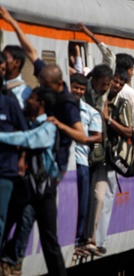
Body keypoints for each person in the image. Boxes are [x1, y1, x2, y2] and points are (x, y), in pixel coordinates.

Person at [0, 87, 66, 275]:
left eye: (32, 98)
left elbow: (27, 140)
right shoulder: (29, 122)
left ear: (41, 104)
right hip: (26, 188)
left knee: (49, 241)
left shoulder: (48, 127)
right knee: (8, 225)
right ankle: (10, 259)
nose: (28, 100)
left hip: (44, 191)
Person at [85, 69, 134, 255]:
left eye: (121, 84)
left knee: (103, 197)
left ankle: (97, 240)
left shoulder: (122, 104)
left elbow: (129, 132)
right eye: (115, 82)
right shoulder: (94, 99)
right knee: (97, 197)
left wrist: (109, 120)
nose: (116, 86)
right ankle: (91, 238)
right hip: (93, 157)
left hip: (110, 159)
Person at [69, 73, 103, 256]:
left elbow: (98, 135)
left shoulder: (90, 112)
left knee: (83, 202)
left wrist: (82, 138)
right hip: (64, 161)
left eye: (81, 89)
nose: (78, 91)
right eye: (75, 87)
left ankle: (79, 241)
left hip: (81, 160)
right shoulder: (60, 107)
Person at [0, 75, 28, 256]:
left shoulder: (9, 102)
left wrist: (21, 159)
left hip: (5, 170)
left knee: (1, 216)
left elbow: (25, 131)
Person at [2, 44, 32, 109]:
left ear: (17, 63)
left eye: (5, 58)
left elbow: (18, 107)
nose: (1, 61)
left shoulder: (24, 89)